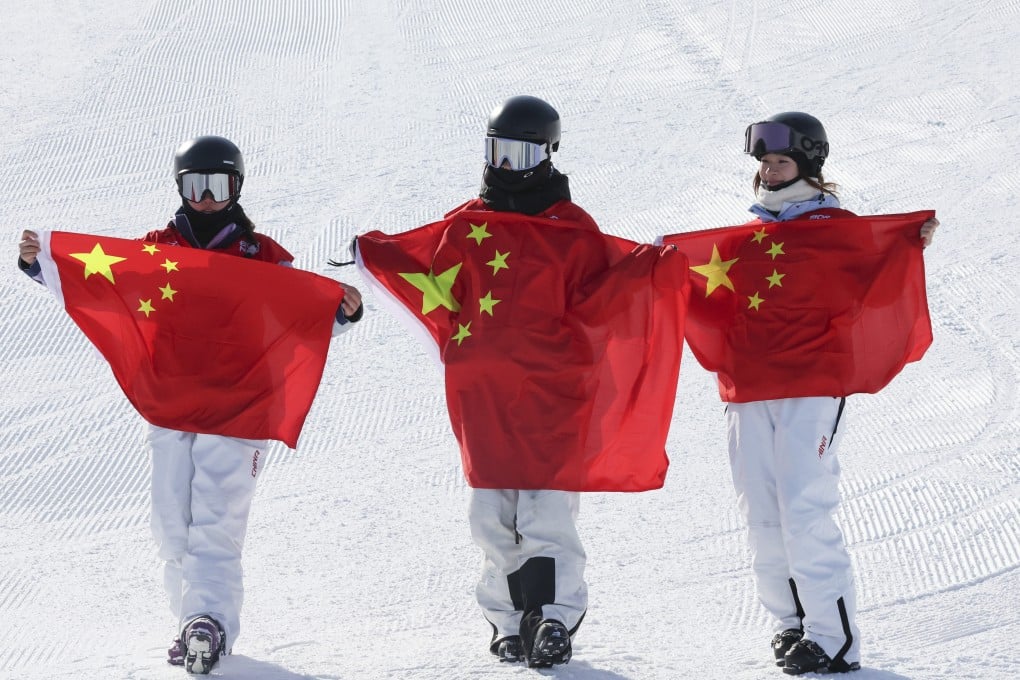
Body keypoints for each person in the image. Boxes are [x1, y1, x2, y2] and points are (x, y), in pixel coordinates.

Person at [17, 135, 364, 675]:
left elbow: (295, 320)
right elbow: (105, 286)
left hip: (238, 405)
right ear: (180, 187)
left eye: (218, 186)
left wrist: (336, 313)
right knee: (170, 525)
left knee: (215, 520)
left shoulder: (262, 256)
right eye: (196, 186)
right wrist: (46, 265)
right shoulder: (156, 249)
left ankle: (210, 621)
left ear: (236, 188)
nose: (206, 198)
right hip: (171, 401)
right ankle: (192, 626)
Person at [729, 112, 938, 675]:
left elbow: (876, 269)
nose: (769, 172)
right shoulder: (752, 236)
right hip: (750, 387)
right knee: (763, 511)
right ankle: (791, 625)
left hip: (811, 385)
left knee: (803, 507)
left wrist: (908, 240)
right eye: (764, 163)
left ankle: (833, 638)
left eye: (780, 161)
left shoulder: (834, 230)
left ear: (809, 164)